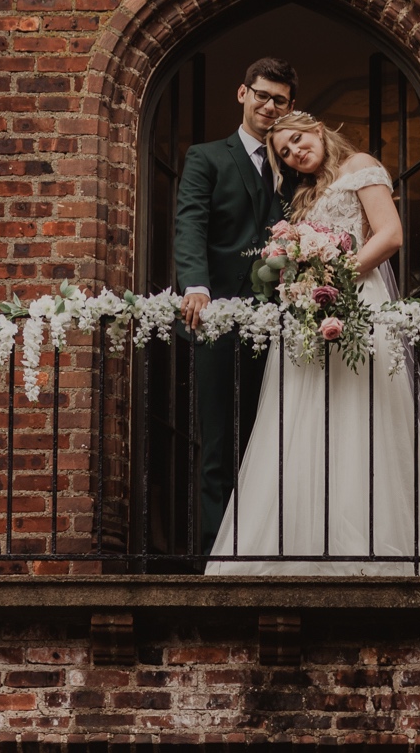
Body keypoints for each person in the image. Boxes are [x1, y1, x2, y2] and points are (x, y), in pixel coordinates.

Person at [206, 111, 420, 575]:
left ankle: (371, 545)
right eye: (285, 153)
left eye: (297, 140)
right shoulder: (305, 195)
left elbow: (390, 235)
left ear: (317, 129)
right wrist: (299, 277)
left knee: (360, 413)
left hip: (356, 300)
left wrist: (334, 276)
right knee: (303, 419)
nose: (295, 153)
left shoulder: (359, 165)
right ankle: (300, 545)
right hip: (311, 313)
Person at [174, 57, 297, 557]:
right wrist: (196, 286)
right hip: (218, 319)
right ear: (243, 93)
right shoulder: (207, 157)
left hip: (286, 325)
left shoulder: (295, 162)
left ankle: (275, 552)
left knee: (279, 441)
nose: (269, 106)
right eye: (262, 95)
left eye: (280, 100)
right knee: (219, 443)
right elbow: (191, 223)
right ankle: (216, 558)